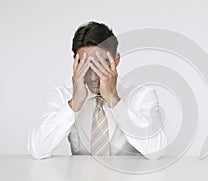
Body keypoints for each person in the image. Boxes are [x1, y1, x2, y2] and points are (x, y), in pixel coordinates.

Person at [28, 21, 166, 160]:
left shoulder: (141, 95)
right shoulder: (63, 94)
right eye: (86, 66)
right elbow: (38, 149)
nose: (93, 77)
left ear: (116, 60)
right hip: (80, 179)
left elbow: (155, 151)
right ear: (75, 62)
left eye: (100, 64)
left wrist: (113, 99)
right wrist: (74, 104)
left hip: (128, 179)